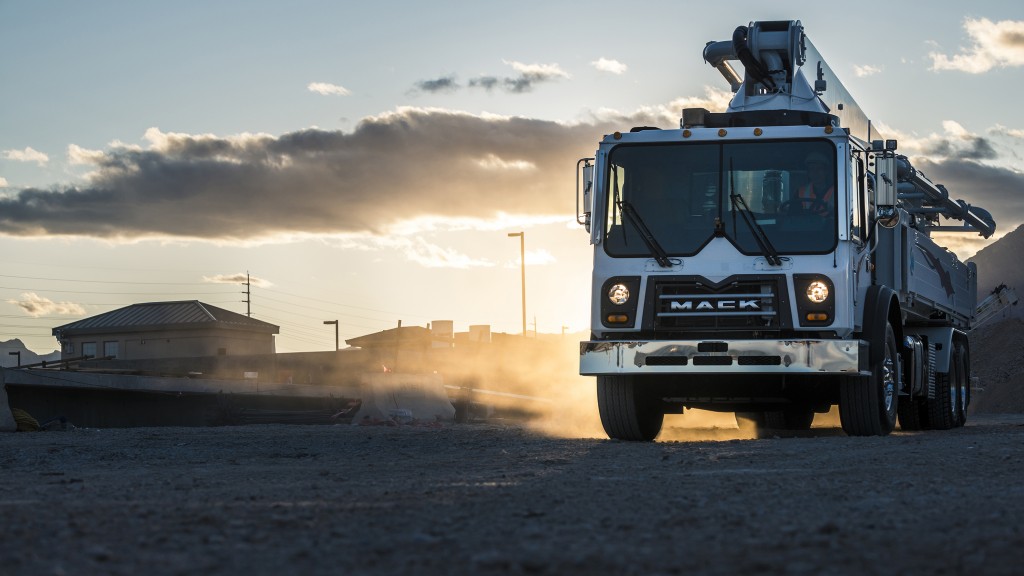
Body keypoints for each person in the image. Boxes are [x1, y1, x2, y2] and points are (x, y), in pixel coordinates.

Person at [795, 152, 834, 217]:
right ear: (808, 173)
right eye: (812, 169)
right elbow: (793, 215)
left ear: (826, 171)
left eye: (819, 168)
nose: (815, 173)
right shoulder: (800, 192)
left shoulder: (838, 191)